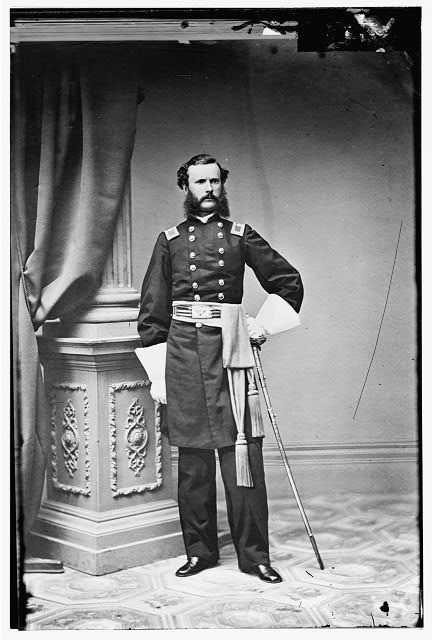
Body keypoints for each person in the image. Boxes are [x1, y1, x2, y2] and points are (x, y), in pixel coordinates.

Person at [137, 153, 303, 583]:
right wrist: (158, 374)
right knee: (193, 462)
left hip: (231, 351)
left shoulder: (240, 235)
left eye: (214, 181)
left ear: (222, 185)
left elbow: (288, 281)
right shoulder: (169, 241)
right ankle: (200, 552)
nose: (208, 189)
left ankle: (254, 555)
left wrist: (263, 325)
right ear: (186, 187)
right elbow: (153, 313)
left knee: (241, 454)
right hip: (183, 355)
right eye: (200, 182)